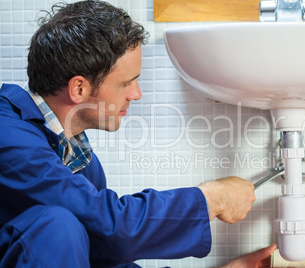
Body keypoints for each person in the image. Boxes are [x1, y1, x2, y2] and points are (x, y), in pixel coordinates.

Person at [0, 0, 276, 267]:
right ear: (79, 89)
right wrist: (212, 198)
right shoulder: (8, 134)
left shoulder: (80, 161)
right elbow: (114, 227)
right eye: (126, 83)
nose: (136, 94)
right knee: (57, 225)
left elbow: (105, 258)